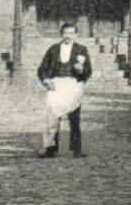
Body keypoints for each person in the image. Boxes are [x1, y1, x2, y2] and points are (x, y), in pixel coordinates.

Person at [36, 22, 91, 157]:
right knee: (52, 117)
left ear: (76, 35)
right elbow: (42, 68)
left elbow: (89, 70)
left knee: (74, 118)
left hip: (73, 85)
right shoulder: (53, 50)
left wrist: (82, 70)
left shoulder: (81, 50)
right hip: (57, 84)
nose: (68, 36)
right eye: (66, 33)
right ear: (61, 34)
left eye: (71, 33)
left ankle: (76, 149)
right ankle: (51, 149)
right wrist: (46, 80)